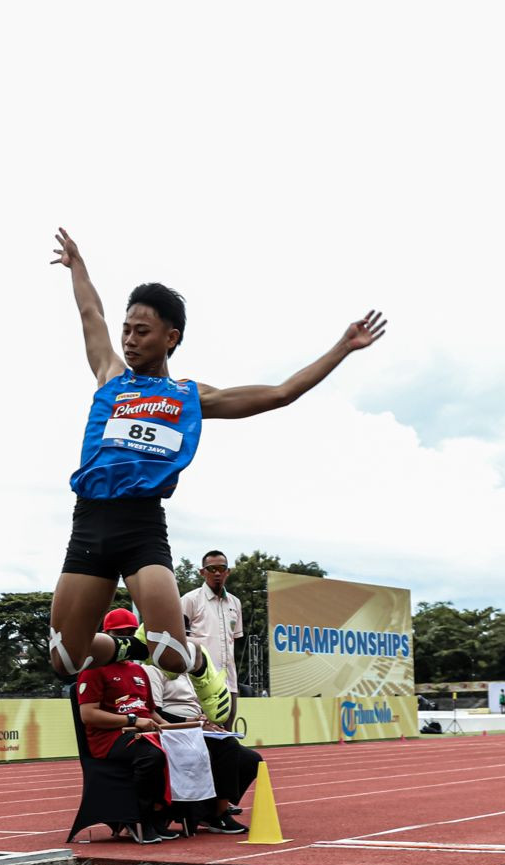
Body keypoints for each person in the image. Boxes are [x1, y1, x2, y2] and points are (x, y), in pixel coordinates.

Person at [46, 227, 386, 727]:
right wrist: (78, 266)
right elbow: (89, 314)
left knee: (171, 655)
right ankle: (130, 645)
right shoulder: (111, 377)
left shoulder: (190, 396)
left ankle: (200, 664)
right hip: (90, 523)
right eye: (127, 329)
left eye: (142, 331)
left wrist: (343, 346)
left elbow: (280, 394)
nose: (130, 339)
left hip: (140, 527)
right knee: (65, 660)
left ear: (171, 338)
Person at [105, 608, 258, 834]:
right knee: (228, 748)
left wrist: (207, 720)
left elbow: (206, 701)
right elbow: (153, 711)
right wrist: (191, 722)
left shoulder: (191, 668)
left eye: (185, 637)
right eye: (178, 639)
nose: (183, 643)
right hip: (174, 731)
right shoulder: (150, 669)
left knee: (251, 759)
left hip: (194, 728)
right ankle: (217, 814)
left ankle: (209, 809)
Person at [75, 638, 183, 844]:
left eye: (129, 633)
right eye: (118, 634)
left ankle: (173, 814)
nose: (124, 639)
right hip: (110, 739)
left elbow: (151, 712)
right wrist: (132, 720)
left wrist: (174, 730)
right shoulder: (93, 669)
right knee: (151, 755)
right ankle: (138, 818)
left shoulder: (139, 670)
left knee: (188, 748)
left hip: (144, 733)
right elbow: (88, 715)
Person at [181, 550, 242, 729]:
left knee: (227, 732)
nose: (217, 573)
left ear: (228, 572)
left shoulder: (235, 603)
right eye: (211, 569)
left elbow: (234, 640)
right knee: (205, 731)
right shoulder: (189, 600)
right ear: (202, 572)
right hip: (202, 682)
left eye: (221, 568)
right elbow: (180, 640)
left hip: (229, 681)